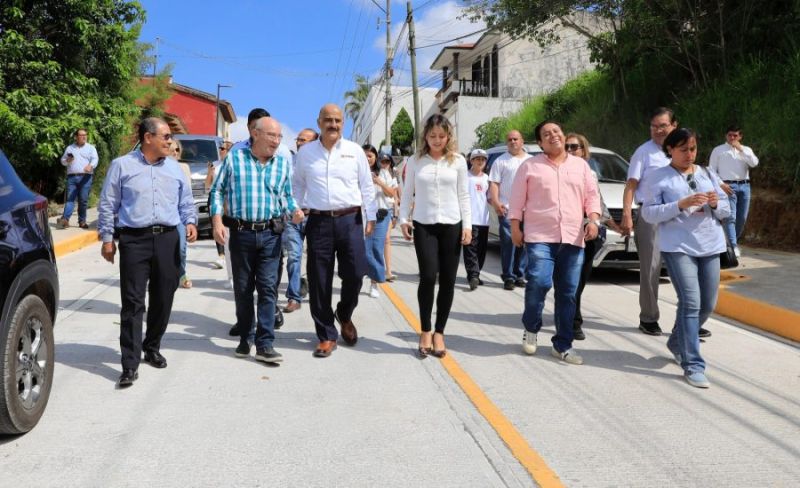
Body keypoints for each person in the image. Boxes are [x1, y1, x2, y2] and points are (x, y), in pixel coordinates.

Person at [97, 117, 197, 387]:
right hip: (134, 240)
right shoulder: (121, 166)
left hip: (167, 239)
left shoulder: (174, 169)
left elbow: (185, 201)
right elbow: (108, 203)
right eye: (165, 136)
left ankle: (151, 346)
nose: (170, 141)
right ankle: (129, 364)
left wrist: (190, 222)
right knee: (132, 302)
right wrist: (107, 238)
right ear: (148, 138)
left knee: (164, 297)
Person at [640, 128, 730, 388]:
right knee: (690, 302)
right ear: (670, 150)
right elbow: (650, 214)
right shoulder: (658, 177)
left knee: (707, 305)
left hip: (711, 245)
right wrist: (680, 204)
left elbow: (725, 210)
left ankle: (677, 341)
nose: (689, 154)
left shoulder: (707, 173)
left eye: (692, 149)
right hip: (678, 247)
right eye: (683, 150)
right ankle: (693, 364)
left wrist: (715, 204)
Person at [210, 116, 303, 364]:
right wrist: (217, 221)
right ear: (255, 134)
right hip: (241, 233)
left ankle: (265, 344)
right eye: (272, 135)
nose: (276, 141)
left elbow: (286, 196)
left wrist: (295, 210)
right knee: (242, 289)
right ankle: (245, 337)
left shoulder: (283, 164)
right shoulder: (235, 159)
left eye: (279, 136)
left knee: (268, 289)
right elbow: (217, 190)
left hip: (271, 234)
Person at [509, 121, 601, 365]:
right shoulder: (530, 166)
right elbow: (517, 199)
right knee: (538, 282)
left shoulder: (581, 166)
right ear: (540, 143)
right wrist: (515, 227)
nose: (553, 135)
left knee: (568, 293)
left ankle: (562, 345)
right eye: (546, 134)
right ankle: (531, 327)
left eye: (557, 131)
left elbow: (591, 197)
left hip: (573, 237)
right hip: (540, 236)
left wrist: (593, 220)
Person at [293, 104, 377, 358]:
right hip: (318, 221)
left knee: (355, 273)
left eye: (338, 120)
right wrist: (296, 208)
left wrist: (370, 215)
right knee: (319, 280)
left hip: (350, 220)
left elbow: (366, 186)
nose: (333, 124)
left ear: (343, 123)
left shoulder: (354, 151)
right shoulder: (306, 153)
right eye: (328, 120)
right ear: (319, 122)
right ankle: (326, 334)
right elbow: (297, 185)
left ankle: (344, 313)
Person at [399, 114, 471, 359]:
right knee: (428, 276)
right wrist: (402, 219)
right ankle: (425, 330)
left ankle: (440, 331)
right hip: (424, 224)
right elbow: (407, 192)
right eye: (432, 136)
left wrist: (468, 226)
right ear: (425, 137)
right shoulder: (416, 161)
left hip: (452, 223)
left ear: (448, 136)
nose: (437, 140)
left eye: (441, 136)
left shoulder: (459, 161)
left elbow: (464, 195)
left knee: (449, 279)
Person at [621, 107, 678, 337]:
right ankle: (649, 318)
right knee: (651, 269)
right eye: (654, 126)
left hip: (678, 216)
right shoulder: (644, 152)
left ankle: (689, 319)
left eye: (662, 125)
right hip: (651, 215)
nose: (658, 130)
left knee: (683, 268)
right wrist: (627, 213)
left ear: (674, 125)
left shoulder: (680, 150)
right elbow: (631, 185)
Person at [564, 133, 621, 340]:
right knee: (569, 280)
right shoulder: (558, 170)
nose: (570, 151)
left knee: (580, 280)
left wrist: (613, 224)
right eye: (567, 147)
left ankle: (569, 313)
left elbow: (598, 202)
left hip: (588, 232)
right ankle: (573, 321)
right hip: (564, 233)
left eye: (574, 147)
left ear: (583, 151)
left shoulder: (590, 174)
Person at [282, 128, 319, 313]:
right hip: (293, 217)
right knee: (294, 257)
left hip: (315, 217)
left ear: (314, 142)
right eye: (298, 139)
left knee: (315, 258)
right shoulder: (289, 162)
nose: (299, 142)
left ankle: (316, 293)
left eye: (304, 140)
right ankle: (294, 297)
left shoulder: (320, 162)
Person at [709, 125, 759, 258]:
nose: (732, 138)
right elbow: (711, 171)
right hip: (728, 186)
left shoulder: (746, 150)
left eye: (735, 135)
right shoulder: (718, 150)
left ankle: (730, 242)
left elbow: (754, 163)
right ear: (726, 135)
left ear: (740, 136)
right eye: (730, 135)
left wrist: (741, 149)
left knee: (741, 218)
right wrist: (721, 184)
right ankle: (733, 246)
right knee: (730, 217)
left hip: (745, 186)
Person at [489, 130, 529, 290]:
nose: (513, 141)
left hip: (528, 210)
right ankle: (508, 277)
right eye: (510, 139)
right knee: (509, 244)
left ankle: (520, 275)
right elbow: (494, 183)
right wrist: (496, 203)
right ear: (507, 142)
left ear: (522, 141)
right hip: (507, 209)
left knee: (525, 243)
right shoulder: (500, 161)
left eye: (516, 139)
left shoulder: (531, 161)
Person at [364, 147, 398, 298]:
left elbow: (391, 193)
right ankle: (358, 278)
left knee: (376, 249)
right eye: (364, 155)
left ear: (375, 157)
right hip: (362, 216)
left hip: (380, 215)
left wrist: (379, 182)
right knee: (362, 249)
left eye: (370, 156)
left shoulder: (383, 172)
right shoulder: (356, 172)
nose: (367, 158)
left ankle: (374, 283)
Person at [59, 128, 99, 229]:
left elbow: (95, 159)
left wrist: (91, 165)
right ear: (76, 137)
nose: (84, 136)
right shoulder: (70, 148)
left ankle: (82, 221)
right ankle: (65, 219)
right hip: (72, 177)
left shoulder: (91, 148)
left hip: (86, 177)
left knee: (83, 200)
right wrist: (67, 160)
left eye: (85, 134)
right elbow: (63, 161)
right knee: (70, 199)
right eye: (81, 135)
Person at [463, 148, 490, 291]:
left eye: (483, 159)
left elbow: (490, 197)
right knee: (470, 248)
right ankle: (472, 275)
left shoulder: (487, 178)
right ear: (471, 161)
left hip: (484, 219)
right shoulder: (465, 177)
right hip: (470, 220)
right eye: (477, 159)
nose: (480, 161)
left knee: (481, 249)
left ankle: (476, 273)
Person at [206, 140, 232, 271]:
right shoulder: (214, 165)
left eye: (223, 148)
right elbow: (207, 184)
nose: (220, 150)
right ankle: (221, 255)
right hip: (214, 197)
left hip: (228, 198)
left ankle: (229, 255)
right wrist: (210, 172)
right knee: (216, 225)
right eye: (220, 148)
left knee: (228, 228)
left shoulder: (232, 164)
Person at [171, 140, 193, 289]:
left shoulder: (184, 168)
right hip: (163, 214)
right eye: (171, 149)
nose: (174, 152)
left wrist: (190, 220)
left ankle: (181, 273)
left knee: (181, 247)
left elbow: (188, 195)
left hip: (179, 214)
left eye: (177, 149)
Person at [383, 154, 400, 282]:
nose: (385, 163)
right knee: (372, 241)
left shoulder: (393, 176)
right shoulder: (373, 173)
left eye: (387, 161)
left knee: (387, 239)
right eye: (382, 161)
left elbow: (395, 197)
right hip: (372, 210)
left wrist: (395, 214)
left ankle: (388, 271)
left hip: (387, 210)